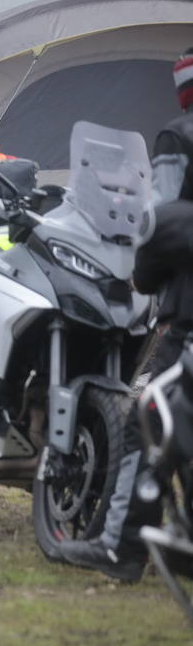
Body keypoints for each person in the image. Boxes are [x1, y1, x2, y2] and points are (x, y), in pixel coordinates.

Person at [55, 46, 193, 582]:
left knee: (149, 418)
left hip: (188, 316)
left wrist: (145, 280)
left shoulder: (178, 136)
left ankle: (122, 546)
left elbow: (156, 222)